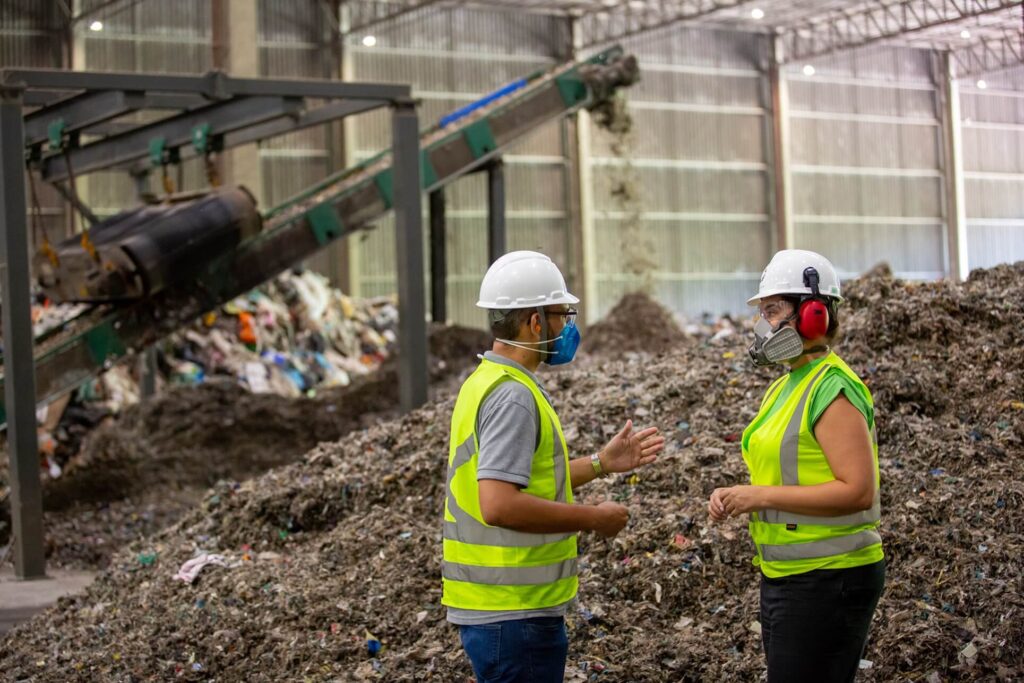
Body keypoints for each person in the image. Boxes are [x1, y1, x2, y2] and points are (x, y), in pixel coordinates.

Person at [443, 250, 665, 683]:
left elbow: (526, 477)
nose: (568, 327)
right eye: (562, 315)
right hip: (513, 614)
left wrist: (600, 464)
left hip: (500, 611)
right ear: (534, 322)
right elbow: (500, 505)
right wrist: (594, 519)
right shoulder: (512, 397)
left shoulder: (486, 382)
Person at [709, 249, 885, 683]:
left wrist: (759, 497)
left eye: (772, 310)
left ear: (812, 315)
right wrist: (737, 494)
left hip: (830, 579)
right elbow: (786, 470)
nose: (762, 324)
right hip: (789, 575)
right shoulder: (789, 384)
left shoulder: (833, 388)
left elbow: (858, 490)